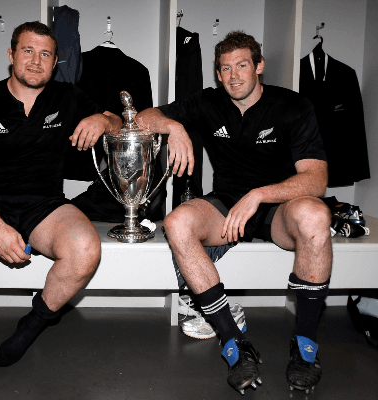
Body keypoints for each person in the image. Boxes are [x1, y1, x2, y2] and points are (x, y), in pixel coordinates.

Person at [0, 21, 125, 395]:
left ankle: (33, 323)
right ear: (11, 55)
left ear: (56, 62)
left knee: (85, 248)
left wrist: (100, 119)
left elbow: (120, 121)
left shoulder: (68, 96)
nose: (35, 60)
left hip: (44, 205)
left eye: (45, 54)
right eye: (27, 51)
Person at [136, 30, 332, 395]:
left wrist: (259, 194)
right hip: (226, 204)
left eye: (242, 65)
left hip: (278, 208)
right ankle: (233, 344)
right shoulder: (209, 103)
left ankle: (305, 349)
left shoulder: (293, 106)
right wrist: (174, 127)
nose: (233, 76)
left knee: (315, 214)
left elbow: (316, 178)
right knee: (177, 222)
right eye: (224, 68)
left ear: (259, 66)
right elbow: (144, 117)